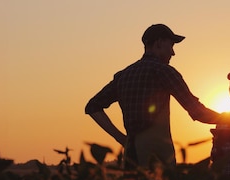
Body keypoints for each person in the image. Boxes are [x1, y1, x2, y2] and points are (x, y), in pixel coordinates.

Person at [85, 24, 221, 168]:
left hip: (131, 156)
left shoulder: (124, 75)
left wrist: (120, 138)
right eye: (171, 45)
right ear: (159, 43)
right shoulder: (164, 71)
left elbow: (92, 106)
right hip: (158, 159)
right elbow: (197, 111)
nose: (173, 53)